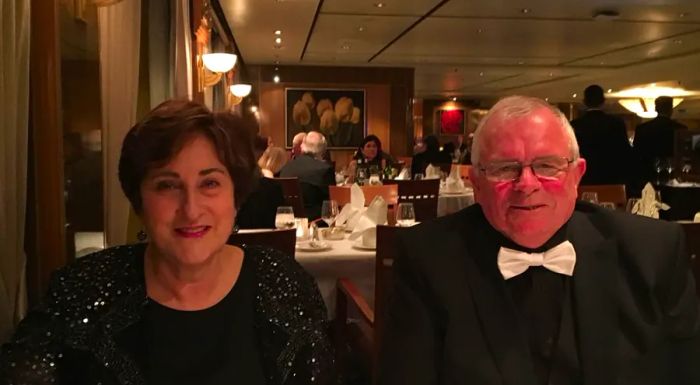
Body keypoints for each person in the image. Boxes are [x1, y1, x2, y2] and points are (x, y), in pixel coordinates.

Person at [0, 100, 335, 384]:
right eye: (166, 185)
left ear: (236, 196)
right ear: (138, 201)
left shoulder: (284, 285)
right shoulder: (82, 292)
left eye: (210, 184)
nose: (190, 209)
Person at [379, 96, 700, 385]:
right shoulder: (428, 256)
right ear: (475, 183)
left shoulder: (653, 251)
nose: (527, 184)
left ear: (577, 175)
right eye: (505, 168)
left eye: (547, 165)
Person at [570, 84, 632, 186]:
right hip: (612, 178)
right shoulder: (616, 123)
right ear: (603, 101)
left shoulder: (575, 125)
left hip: (584, 179)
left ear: (584, 102)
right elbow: (625, 153)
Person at [633, 96, 688, 188]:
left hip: (647, 174)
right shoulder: (680, 128)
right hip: (673, 175)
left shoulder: (643, 128)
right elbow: (684, 153)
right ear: (671, 110)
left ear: (656, 108)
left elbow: (636, 153)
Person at [279, 131, 335, 220]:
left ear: (302, 147)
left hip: (289, 220)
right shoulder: (325, 170)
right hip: (316, 222)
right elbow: (331, 204)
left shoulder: (286, 168)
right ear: (323, 151)